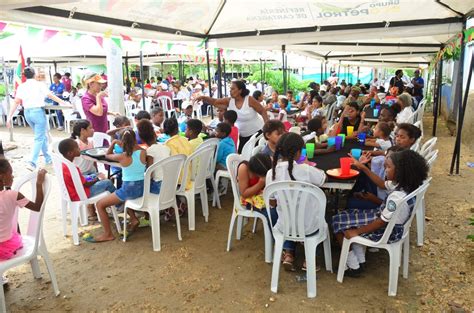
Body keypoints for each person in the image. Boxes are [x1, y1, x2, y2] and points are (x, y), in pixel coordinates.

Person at [332, 150, 428, 276]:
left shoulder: (397, 197)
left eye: (388, 167)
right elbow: (382, 184)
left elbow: (380, 222)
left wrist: (356, 231)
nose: (385, 169)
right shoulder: (405, 185)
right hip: (391, 223)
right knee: (348, 214)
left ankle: (353, 266)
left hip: (387, 231)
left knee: (337, 221)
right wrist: (364, 168)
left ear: (401, 171)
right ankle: (360, 259)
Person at [266, 133, 326, 271]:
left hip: (284, 226)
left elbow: (273, 203)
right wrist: (307, 166)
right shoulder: (306, 170)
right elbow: (323, 179)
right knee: (318, 215)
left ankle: (288, 253)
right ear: (299, 152)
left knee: (288, 216)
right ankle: (310, 259)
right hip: (309, 227)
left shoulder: (271, 173)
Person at [7, 67, 69, 170]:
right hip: (37, 112)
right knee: (39, 137)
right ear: (34, 74)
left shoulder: (21, 86)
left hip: (27, 113)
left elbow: (16, 102)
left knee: (42, 136)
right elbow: (50, 95)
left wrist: (9, 116)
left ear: (24, 75)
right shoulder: (39, 84)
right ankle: (32, 162)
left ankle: (48, 158)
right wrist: (64, 102)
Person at [91, 129, 146, 242]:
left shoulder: (122, 156)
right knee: (126, 197)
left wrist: (113, 143)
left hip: (129, 190)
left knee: (100, 205)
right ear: (135, 140)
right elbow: (138, 148)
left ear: (122, 143)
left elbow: (107, 155)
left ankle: (108, 234)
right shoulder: (142, 152)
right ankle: (134, 219)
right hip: (142, 188)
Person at [197, 80, 268, 153]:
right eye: (230, 89)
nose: (230, 91)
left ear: (240, 90)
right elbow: (215, 102)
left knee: (255, 155)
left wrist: (267, 127)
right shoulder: (229, 101)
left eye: (233, 89)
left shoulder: (249, 99)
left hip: (257, 132)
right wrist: (204, 97)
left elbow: (262, 111)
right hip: (243, 135)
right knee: (242, 154)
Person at [0, 160, 47, 260]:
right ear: (2, 176)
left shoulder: (10, 194)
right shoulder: (12, 195)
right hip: (4, 244)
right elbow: (37, 207)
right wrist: (39, 184)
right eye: (10, 173)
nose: (12, 176)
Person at [237, 153, 277, 226]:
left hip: (266, 197)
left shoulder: (268, 161)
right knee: (273, 213)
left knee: (283, 208)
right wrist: (260, 183)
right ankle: (273, 236)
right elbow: (244, 194)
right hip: (251, 200)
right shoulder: (244, 168)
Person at [137, 119, 170, 195]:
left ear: (142, 139)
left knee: (137, 188)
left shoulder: (150, 151)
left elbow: (150, 174)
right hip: (169, 185)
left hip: (158, 187)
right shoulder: (165, 147)